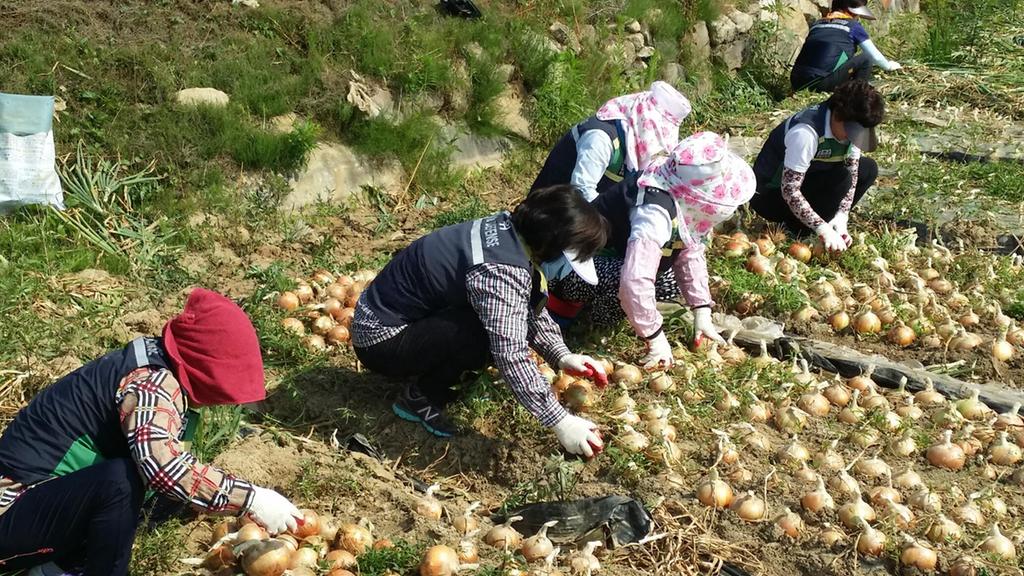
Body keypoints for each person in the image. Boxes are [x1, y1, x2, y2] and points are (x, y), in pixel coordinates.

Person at [0, 289, 301, 576]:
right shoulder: (153, 385)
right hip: (12, 510)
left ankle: (63, 561)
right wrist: (251, 499)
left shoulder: (160, 363)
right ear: (207, 370)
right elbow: (163, 468)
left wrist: (223, 499)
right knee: (121, 482)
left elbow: (172, 468)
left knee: (169, 491)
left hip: (46, 503)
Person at [352, 185, 609, 458]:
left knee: (493, 321)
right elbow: (510, 353)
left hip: (390, 320)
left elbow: (524, 303)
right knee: (484, 334)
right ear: (551, 244)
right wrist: (561, 421)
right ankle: (421, 398)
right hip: (379, 340)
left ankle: (428, 372)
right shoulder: (500, 270)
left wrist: (562, 356)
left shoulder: (506, 231)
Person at [547, 132, 756, 369]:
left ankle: (608, 314)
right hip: (570, 269)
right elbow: (634, 281)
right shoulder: (653, 213)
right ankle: (578, 316)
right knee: (634, 279)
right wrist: (655, 337)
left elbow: (689, 251)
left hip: (607, 264)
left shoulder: (674, 188)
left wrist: (702, 310)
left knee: (669, 280)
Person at [749, 79, 884, 252]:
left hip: (812, 178)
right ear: (837, 115)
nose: (853, 138)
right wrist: (822, 229)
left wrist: (842, 215)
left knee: (868, 169)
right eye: (852, 132)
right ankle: (797, 227)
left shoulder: (850, 132)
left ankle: (825, 222)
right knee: (841, 178)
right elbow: (790, 190)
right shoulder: (806, 133)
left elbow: (854, 170)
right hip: (771, 196)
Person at [531, 81, 692, 202]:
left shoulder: (631, 145)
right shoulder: (601, 138)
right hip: (548, 213)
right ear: (644, 121)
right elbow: (580, 191)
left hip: (583, 221)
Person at [790, 0, 902, 93]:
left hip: (796, 82)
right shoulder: (853, 26)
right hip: (821, 83)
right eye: (856, 13)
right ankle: (858, 93)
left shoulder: (817, 24)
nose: (857, 16)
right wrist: (890, 66)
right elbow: (874, 56)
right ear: (849, 10)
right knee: (866, 58)